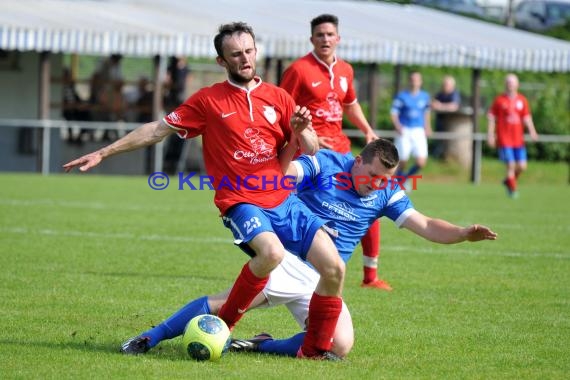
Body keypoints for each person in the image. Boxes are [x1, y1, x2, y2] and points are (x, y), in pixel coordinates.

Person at [63, 22, 346, 360]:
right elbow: (156, 130)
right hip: (241, 201)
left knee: (335, 268)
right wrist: (104, 151)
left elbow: (311, 148)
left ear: (256, 51)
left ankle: (313, 350)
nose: (244, 59)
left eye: (249, 51)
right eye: (235, 54)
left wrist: (302, 130)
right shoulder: (208, 100)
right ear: (221, 61)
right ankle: (223, 326)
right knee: (270, 254)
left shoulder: (279, 97)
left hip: (284, 199)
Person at [118, 139, 497, 359]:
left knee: (339, 346)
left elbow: (427, 225)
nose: (377, 185)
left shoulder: (386, 192)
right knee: (225, 304)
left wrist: (463, 232)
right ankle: (150, 336)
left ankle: (259, 345)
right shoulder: (328, 163)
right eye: (373, 176)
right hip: (293, 262)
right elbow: (288, 176)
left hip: (325, 282)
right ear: (358, 160)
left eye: (385, 180)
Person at [279, 14, 388, 291]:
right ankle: (284, 263)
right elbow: (283, 108)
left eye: (330, 34)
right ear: (312, 39)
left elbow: (350, 104)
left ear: (338, 38)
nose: (325, 39)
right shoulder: (298, 70)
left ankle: (370, 276)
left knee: (369, 205)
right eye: (320, 35)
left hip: (341, 151)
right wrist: (307, 137)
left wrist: (367, 130)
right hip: (312, 155)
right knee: (302, 207)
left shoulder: (346, 71)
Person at [486, 73, 538, 198]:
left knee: (522, 166)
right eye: (508, 82)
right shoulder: (499, 100)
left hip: (518, 140)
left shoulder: (522, 100)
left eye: (513, 82)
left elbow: (526, 117)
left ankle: (509, 181)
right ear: (505, 84)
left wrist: (532, 131)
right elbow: (491, 118)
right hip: (505, 139)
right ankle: (512, 191)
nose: (510, 84)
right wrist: (490, 135)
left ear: (517, 84)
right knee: (510, 165)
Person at [390, 71, 432, 185]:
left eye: (417, 80)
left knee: (421, 162)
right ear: (409, 81)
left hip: (418, 130)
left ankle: (404, 179)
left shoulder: (425, 96)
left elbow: (426, 113)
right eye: (412, 80)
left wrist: (428, 127)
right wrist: (398, 126)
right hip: (405, 130)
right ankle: (398, 181)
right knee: (402, 160)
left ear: (420, 82)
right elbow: (394, 113)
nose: (415, 82)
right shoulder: (402, 96)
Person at [431, 75, 461, 159]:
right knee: (438, 140)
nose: (444, 86)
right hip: (440, 121)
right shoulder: (440, 94)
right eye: (444, 84)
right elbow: (433, 103)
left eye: (446, 84)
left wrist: (440, 106)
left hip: (451, 123)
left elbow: (454, 106)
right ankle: (437, 157)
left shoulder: (454, 94)